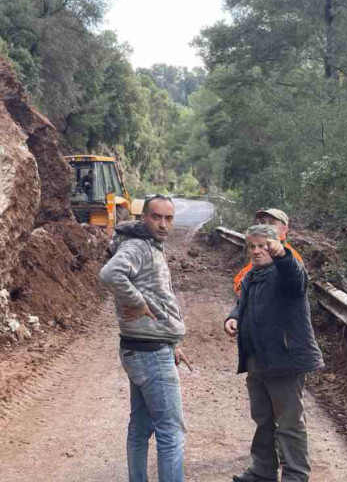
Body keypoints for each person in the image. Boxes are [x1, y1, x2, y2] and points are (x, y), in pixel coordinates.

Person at [224, 224, 324, 482]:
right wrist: (233, 318)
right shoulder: (251, 277)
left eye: (263, 246)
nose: (257, 252)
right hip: (257, 360)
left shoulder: (285, 273)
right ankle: (262, 470)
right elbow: (242, 305)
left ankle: (295, 476)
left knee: (289, 425)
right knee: (263, 420)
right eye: (253, 247)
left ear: (276, 245)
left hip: (284, 361)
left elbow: (295, 276)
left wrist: (282, 254)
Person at [100, 195, 189, 482]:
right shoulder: (139, 246)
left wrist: (172, 342)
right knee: (171, 432)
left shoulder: (148, 245)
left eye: (168, 218)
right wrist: (137, 302)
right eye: (156, 217)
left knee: (140, 428)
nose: (163, 224)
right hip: (150, 353)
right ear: (143, 218)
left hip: (143, 347)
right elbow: (111, 273)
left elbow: (159, 297)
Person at [233, 208, 303, 296]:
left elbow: (295, 281)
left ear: (284, 229)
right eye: (262, 222)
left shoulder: (288, 257)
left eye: (272, 223)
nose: (265, 226)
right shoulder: (261, 250)